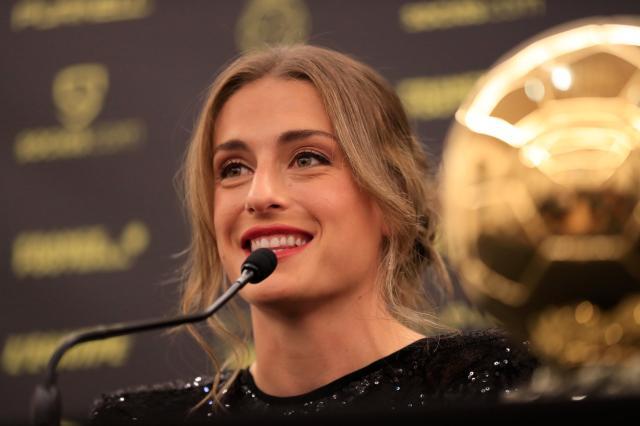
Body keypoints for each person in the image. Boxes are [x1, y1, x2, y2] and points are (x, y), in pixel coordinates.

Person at [90, 45, 537, 425]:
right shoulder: (135, 417)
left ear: (392, 199)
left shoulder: (498, 383)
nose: (258, 195)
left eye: (307, 159)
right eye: (234, 168)